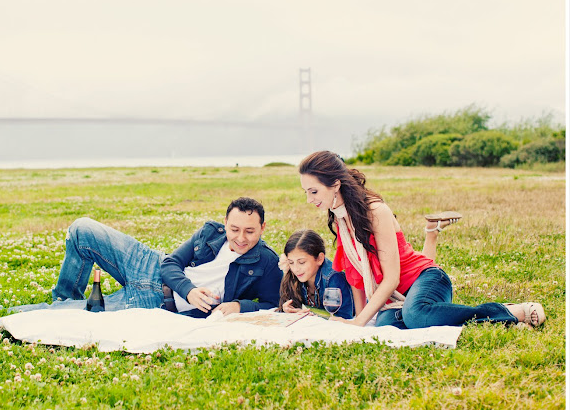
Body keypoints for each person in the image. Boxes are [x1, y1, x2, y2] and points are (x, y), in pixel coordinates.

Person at [296, 150, 546, 330]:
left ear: (336, 184)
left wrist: (359, 321)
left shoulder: (375, 211)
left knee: (415, 316)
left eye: (314, 191)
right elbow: (355, 276)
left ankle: (512, 311)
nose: (309, 199)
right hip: (398, 298)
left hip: (427, 279)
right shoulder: (340, 218)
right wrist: (360, 321)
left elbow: (392, 277)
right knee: (384, 324)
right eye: (306, 192)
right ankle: (492, 322)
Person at [51, 197, 282, 317]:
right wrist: (189, 291)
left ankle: (64, 308)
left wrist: (239, 306)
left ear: (262, 228)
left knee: (53, 316)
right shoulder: (211, 232)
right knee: (81, 229)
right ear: (225, 224)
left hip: (156, 305)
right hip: (147, 265)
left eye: (250, 231)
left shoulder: (267, 262)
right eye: (234, 229)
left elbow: (273, 303)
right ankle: (65, 297)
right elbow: (171, 263)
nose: (241, 238)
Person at [277, 217, 456, 320]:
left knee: (415, 273)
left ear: (319, 258)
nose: (296, 268)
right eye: (292, 263)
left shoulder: (333, 276)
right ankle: (432, 233)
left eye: (301, 262)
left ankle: (431, 234)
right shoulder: (295, 276)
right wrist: (290, 309)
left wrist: (310, 313)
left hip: (389, 292)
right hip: (386, 293)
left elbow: (345, 315)